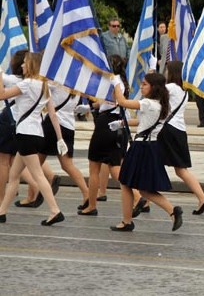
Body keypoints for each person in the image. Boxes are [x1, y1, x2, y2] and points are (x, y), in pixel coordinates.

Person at [109, 72, 183, 232]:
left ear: (153, 87)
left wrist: (116, 83)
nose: (141, 87)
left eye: (144, 84)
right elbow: (143, 121)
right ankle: (172, 211)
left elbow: (121, 101)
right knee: (143, 189)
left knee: (126, 182)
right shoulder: (161, 105)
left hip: (141, 147)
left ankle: (127, 221)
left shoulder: (148, 103)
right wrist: (123, 123)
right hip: (151, 146)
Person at [0, 52, 67, 226]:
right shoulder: (44, 86)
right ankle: (2, 212)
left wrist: (0, 75)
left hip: (26, 134)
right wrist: (60, 139)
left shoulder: (27, 84)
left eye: (25, 63)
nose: (22, 66)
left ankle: (55, 210)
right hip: (37, 134)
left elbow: (1, 95)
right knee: (14, 176)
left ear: (31, 65)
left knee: (38, 175)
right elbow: (52, 115)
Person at [77, 55, 129, 216]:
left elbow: (111, 102)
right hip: (118, 123)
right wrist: (90, 108)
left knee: (94, 167)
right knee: (115, 166)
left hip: (105, 123)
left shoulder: (111, 81)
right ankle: (137, 196)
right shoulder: (121, 81)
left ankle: (91, 205)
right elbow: (108, 102)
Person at [158, 61, 204, 215]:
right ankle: (202, 198)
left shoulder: (171, 88)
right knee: (181, 169)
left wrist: (152, 70)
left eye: (167, 71)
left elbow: (153, 92)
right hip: (179, 130)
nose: (165, 73)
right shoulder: (184, 90)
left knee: (151, 161)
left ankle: (144, 199)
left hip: (167, 130)